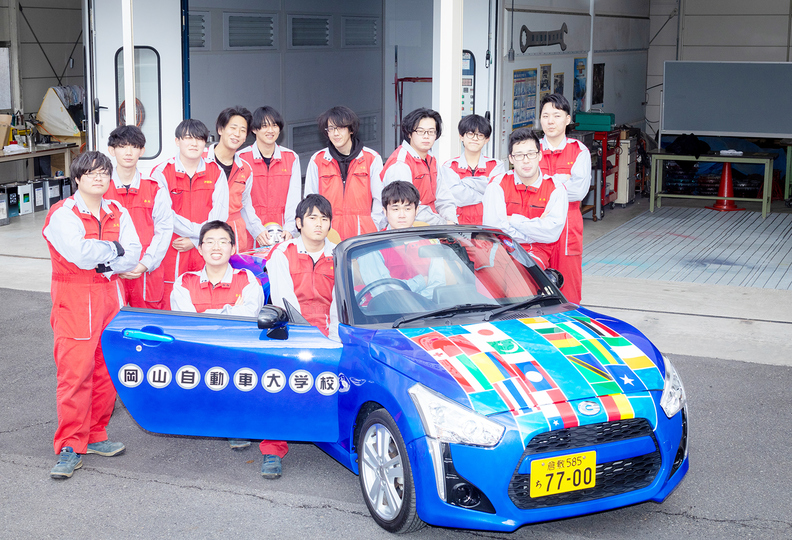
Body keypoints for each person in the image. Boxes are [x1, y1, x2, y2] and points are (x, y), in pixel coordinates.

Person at [42, 151, 142, 479]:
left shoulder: (117, 210)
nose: (98, 178)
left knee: (106, 371)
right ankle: (70, 444)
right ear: (78, 178)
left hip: (110, 296)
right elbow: (79, 255)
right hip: (74, 298)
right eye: (91, 173)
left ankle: (96, 433)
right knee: (75, 373)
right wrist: (113, 250)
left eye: (103, 173)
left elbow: (134, 253)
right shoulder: (63, 213)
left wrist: (107, 256)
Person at [260, 194, 337, 479]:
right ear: (299, 222)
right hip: (291, 328)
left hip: (330, 331)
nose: (319, 224)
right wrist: (304, 335)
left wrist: (334, 338)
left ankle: (332, 439)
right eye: (313, 218)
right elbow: (283, 297)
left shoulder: (337, 253)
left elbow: (340, 302)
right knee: (279, 386)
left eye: (325, 219)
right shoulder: (283, 252)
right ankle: (272, 450)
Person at [151, 119, 229, 309]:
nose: (194, 143)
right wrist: (199, 234)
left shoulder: (216, 171)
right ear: (177, 141)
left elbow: (220, 215)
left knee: (208, 299)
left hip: (206, 247)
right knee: (172, 302)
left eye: (199, 139)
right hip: (174, 247)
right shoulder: (161, 172)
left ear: (206, 143)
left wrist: (196, 240)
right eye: (188, 138)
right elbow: (165, 215)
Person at [106, 125, 173, 309]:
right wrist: (112, 265)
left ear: (142, 151)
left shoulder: (154, 188)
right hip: (111, 272)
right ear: (112, 150)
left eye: (134, 146)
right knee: (110, 323)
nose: (128, 152)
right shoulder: (100, 188)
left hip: (146, 270)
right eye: (122, 146)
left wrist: (146, 263)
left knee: (148, 326)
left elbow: (164, 230)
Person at [482, 128, 567, 269]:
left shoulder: (555, 189)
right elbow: (494, 230)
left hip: (536, 253)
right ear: (511, 158)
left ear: (539, 155)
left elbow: (551, 233)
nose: (526, 161)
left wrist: (512, 220)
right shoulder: (497, 185)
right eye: (519, 155)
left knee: (522, 277)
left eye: (531, 154)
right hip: (500, 249)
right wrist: (535, 231)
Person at [538, 93, 591, 303]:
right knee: (534, 286)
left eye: (557, 115)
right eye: (545, 115)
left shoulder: (579, 151)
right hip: (536, 226)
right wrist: (562, 180)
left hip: (567, 229)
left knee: (568, 288)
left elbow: (578, 192)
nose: (550, 121)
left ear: (567, 119)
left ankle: (569, 334)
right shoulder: (531, 150)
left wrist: (544, 186)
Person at [304, 106, 385, 240]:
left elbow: (380, 199)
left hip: (363, 234)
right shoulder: (317, 160)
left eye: (340, 128)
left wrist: (373, 226)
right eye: (331, 128)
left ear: (351, 129)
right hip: (329, 234)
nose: (336, 133)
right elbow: (310, 200)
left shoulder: (371, 158)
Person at [357, 181, 443, 299]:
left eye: (407, 209)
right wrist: (421, 282)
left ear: (416, 210)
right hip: (387, 312)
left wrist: (419, 304)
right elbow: (384, 290)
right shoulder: (372, 247)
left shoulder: (432, 242)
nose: (402, 215)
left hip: (427, 310)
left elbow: (438, 284)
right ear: (385, 211)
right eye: (395, 209)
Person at [170, 221, 265, 317]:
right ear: (200, 249)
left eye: (222, 242)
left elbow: (251, 315)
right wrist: (233, 311)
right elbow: (186, 321)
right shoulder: (184, 282)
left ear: (232, 249)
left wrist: (201, 315)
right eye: (210, 242)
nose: (216, 247)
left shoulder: (247, 279)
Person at [237, 106, 301, 245]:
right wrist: (256, 229)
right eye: (264, 126)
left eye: (274, 125)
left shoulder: (291, 158)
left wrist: (290, 229)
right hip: (249, 232)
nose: (270, 130)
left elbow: (294, 199)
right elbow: (241, 200)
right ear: (254, 129)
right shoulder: (241, 159)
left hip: (283, 233)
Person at [381, 107, 450, 225]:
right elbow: (406, 207)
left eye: (431, 131)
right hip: (407, 229)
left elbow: (444, 198)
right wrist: (443, 224)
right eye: (420, 131)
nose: (426, 136)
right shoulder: (400, 164)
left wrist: (451, 221)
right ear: (409, 133)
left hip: (432, 227)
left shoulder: (431, 159)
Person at [204, 106, 257, 252]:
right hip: (204, 231)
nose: (237, 134)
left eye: (242, 130)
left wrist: (259, 231)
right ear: (220, 130)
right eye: (233, 128)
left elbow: (246, 206)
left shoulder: (245, 169)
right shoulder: (201, 162)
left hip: (234, 236)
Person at [436, 114, 504, 225]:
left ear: (487, 139)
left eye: (480, 135)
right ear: (461, 136)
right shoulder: (449, 166)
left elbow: (497, 196)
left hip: (487, 228)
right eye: (470, 134)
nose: (475, 138)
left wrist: (464, 183)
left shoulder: (496, 166)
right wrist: (485, 195)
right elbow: (456, 197)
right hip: (459, 227)